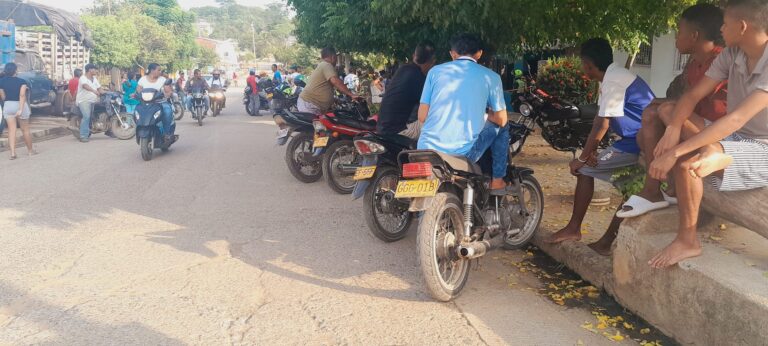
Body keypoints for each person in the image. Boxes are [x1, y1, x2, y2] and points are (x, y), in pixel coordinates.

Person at [647, 0, 768, 268]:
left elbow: (736, 119)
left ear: (743, 26)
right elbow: (692, 95)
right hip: (735, 138)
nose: (721, 29)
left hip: (763, 147)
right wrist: (674, 129)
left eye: (725, 24)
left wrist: (675, 150)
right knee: (671, 111)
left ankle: (687, 240)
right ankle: (712, 152)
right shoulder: (732, 54)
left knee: (689, 164)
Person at [613, 4, 728, 223]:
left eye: (679, 32)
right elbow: (689, 99)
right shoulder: (695, 63)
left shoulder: (720, 60)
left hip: (722, 136)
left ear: (694, 36)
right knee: (649, 119)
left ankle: (653, 190)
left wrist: (669, 119)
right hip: (700, 126)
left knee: (664, 110)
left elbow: (690, 101)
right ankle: (657, 190)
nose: (675, 37)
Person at [544, 38, 655, 245]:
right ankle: (605, 243)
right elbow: (602, 119)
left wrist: (584, 158)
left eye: (581, 63)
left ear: (588, 64)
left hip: (639, 140)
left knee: (584, 170)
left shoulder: (613, 80)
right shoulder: (614, 76)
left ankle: (574, 229)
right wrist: (592, 152)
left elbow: (601, 125)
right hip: (638, 138)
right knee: (631, 190)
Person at [417, 33, 509, 192]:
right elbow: (501, 119)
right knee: (504, 126)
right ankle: (498, 180)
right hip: (463, 154)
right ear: (479, 53)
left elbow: (422, 116)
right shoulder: (491, 77)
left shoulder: (435, 72)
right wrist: (487, 115)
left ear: (452, 53)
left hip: (425, 149)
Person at [377, 41, 437, 140]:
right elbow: (433, 103)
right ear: (432, 62)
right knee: (440, 124)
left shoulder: (403, 69)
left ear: (414, 56)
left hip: (383, 128)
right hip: (398, 131)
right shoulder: (418, 77)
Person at [298, 46, 360, 114]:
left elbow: (324, 87)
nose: (336, 61)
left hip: (311, 105)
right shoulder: (327, 65)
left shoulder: (323, 65)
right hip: (310, 105)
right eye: (336, 58)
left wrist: (335, 100)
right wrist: (351, 94)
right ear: (333, 57)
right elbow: (335, 81)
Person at [0, 63, 36, 159]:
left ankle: (12, 153)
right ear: (15, 70)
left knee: (11, 131)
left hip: (8, 105)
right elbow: (22, 95)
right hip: (20, 105)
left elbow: (2, 96)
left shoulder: (1, 82)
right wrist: (20, 109)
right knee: (25, 129)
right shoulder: (22, 81)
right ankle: (30, 151)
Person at [136, 63, 176, 143]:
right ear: (152, 70)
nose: (160, 72)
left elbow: (167, 90)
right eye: (159, 70)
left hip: (160, 103)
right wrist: (136, 94)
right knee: (136, 110)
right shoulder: (142, 79)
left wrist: (167, 94)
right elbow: (138, 90)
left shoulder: (162, 80)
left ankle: (166, 133)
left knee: (167, 110)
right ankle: (140, 128)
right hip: (145, 104)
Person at [76, 64, 105, 142]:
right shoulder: (83, 78)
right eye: (95, 69)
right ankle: (83, 136)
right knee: (86, 117)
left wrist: (106, 93)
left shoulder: (94, 79)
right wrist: (94, 91)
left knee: (92, 117)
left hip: (93, 101)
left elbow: (99, 88)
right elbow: (85, 86)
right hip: (83, 101)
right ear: (90, 70)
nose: (96, 71)